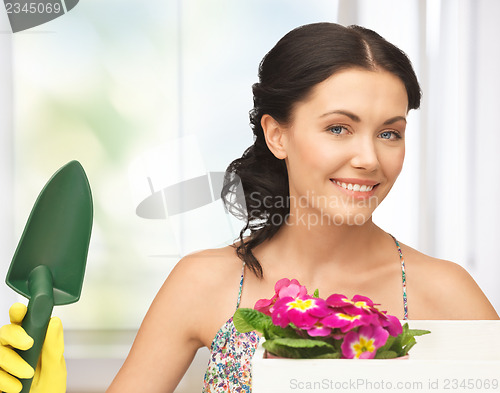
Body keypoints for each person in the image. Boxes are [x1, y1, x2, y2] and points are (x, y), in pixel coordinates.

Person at [1, 22, 498, 393]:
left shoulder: (447, 292)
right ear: (277, 134)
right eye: (338, 128)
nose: (369, 158)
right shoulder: (203, 283)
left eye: (389, 133)